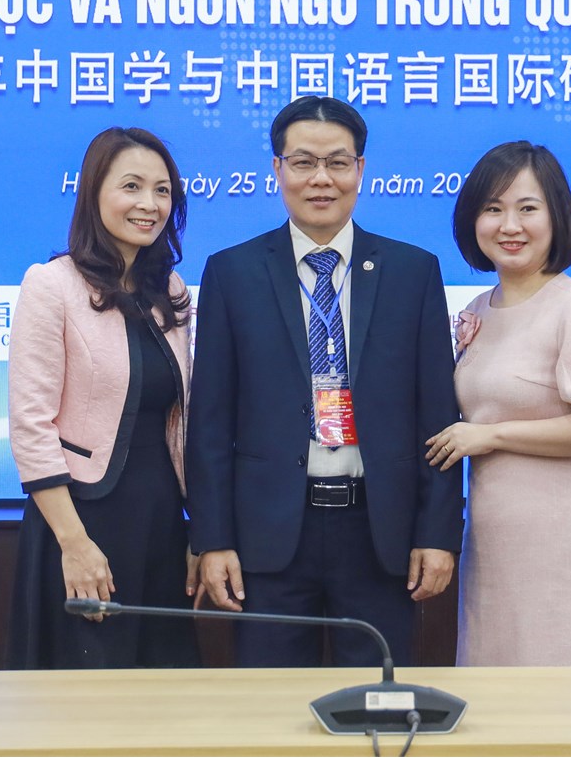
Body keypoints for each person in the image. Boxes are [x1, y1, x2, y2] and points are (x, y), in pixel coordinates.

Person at [187, 96, 464, 667]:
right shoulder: (232, 272)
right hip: (268, 538)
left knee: (375, 704)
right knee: (268, 706)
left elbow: (438, 416)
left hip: (379, 533)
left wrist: (438, 533)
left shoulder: (413, 272)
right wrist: (212, 539)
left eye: (338, 162)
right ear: (277, 169)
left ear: (360, 169)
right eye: (303, 162)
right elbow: (209, 423)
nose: (321, 179)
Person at [425, 140, 571, 666]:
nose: (509, 225)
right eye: (493, 209)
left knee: (567, 689)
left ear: (556, 216)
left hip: (564, 538)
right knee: (499, 686)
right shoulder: (479, 309)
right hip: (494, 537)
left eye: (527, 208)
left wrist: (491, 435)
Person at [5, 127, 199, 669]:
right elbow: (31, 425)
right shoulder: (52, 285)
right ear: (94, 192)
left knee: (162, 688)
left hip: (160, 520)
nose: (149, 204)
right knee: (86, 688)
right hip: (81, 518)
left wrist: (199, 530)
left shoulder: (172, 292)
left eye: (162, 191)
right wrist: (75, 544)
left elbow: (183, 420)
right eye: (131, 186)